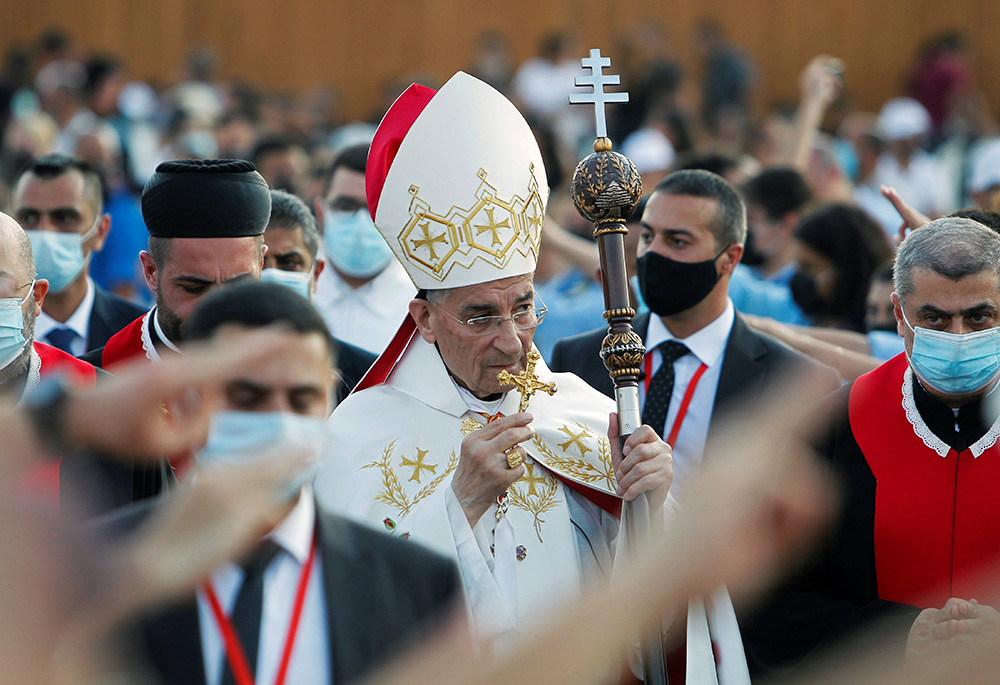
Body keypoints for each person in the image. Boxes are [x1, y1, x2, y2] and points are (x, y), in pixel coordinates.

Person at [314, 72, 747, 681]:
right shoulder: (360, 435)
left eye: (522, 306)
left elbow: (653, 627)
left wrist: (652, 509)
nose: (512, 339)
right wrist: (458, 509)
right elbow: (344, 620)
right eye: (480, 316)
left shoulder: (582, 414)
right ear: (425, 318)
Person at [103, 280, 462, 685]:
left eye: (301, 399)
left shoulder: (412, 585)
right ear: (188, 401)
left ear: (328, 399)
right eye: (247, 397)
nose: (279, 422)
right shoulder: (99, 567)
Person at [743, 217, 1000, 676]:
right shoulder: (836, 424)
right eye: (934, 318)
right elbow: (774, 598)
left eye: (979, 316)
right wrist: (897, 635)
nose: (958, 337)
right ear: (900, 315)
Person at [552, 169, 839, 497]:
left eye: (677, 241)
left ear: (729, 258)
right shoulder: (578, 359)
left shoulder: (795, 382)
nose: (653, 254)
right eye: (647, 237)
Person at [81, 158, 270, 369]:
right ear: (151, 272)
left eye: (238, 288)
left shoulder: (296, 374)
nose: (218, 311)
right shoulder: (94, 383)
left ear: (261, 264)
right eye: (195, 288)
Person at [11, 154, 145, 356]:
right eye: (29, 217)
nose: (45, 232)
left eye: (64, 218)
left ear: (100, 231)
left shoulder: (139, 335)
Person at [261, 189, 376, 401]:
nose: (272, 273)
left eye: (289, 263)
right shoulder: (205, 369)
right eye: (260, 262)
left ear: (316, 274)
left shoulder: (370, 379)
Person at [312, 143, 414, 355]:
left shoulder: (421, 310)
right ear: (321, 212)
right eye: (346, 206)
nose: (361, 221)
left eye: (375, 208)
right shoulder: (295, 290)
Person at [789, 202, 894, 331]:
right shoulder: (814, 316)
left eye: (808, 267)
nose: (799, 277)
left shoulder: (881, 325)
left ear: (845, 268)